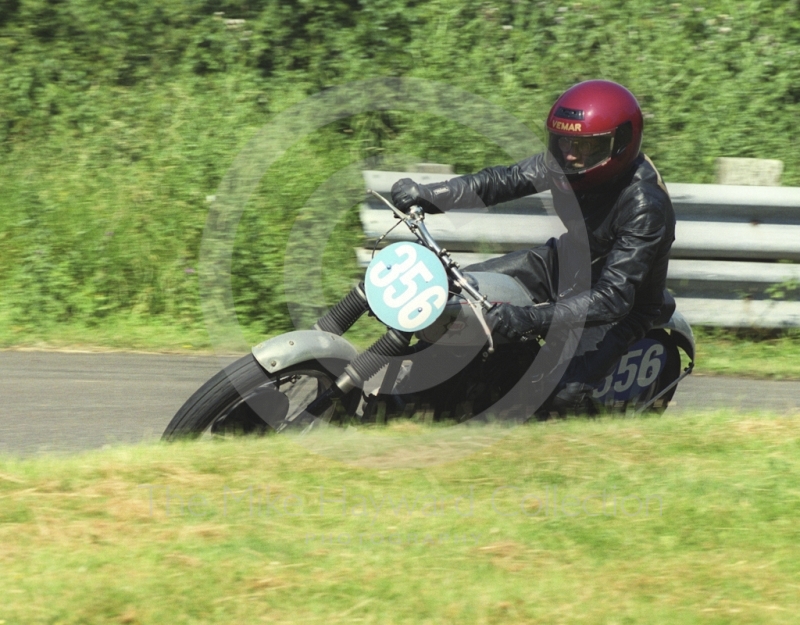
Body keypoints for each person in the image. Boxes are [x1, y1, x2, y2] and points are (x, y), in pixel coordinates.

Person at [391, 79, 676, 416]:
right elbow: (500, 181)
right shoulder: (563, 164)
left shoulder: (644, 204)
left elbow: (612, 298)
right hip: (563, 263)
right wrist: (430, 195)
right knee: (454, 296)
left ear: (619, 145)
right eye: (563, 142)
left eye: (584, 147)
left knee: (558, 397)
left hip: (620, 305)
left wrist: (528, 318)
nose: (569, 153)